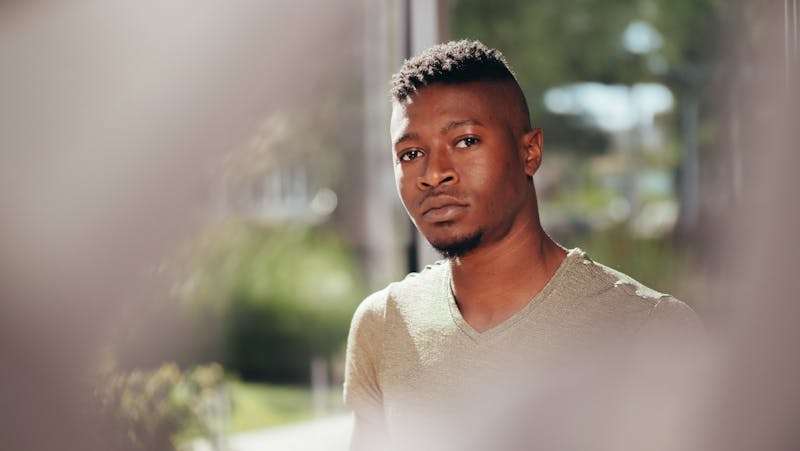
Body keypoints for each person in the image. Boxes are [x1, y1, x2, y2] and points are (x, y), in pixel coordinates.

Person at [343, 40, 703, 451]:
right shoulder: (384, 324)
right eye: (410, 153)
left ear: (529, 152)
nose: (434, 173)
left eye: (465, 141)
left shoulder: (649, 328)